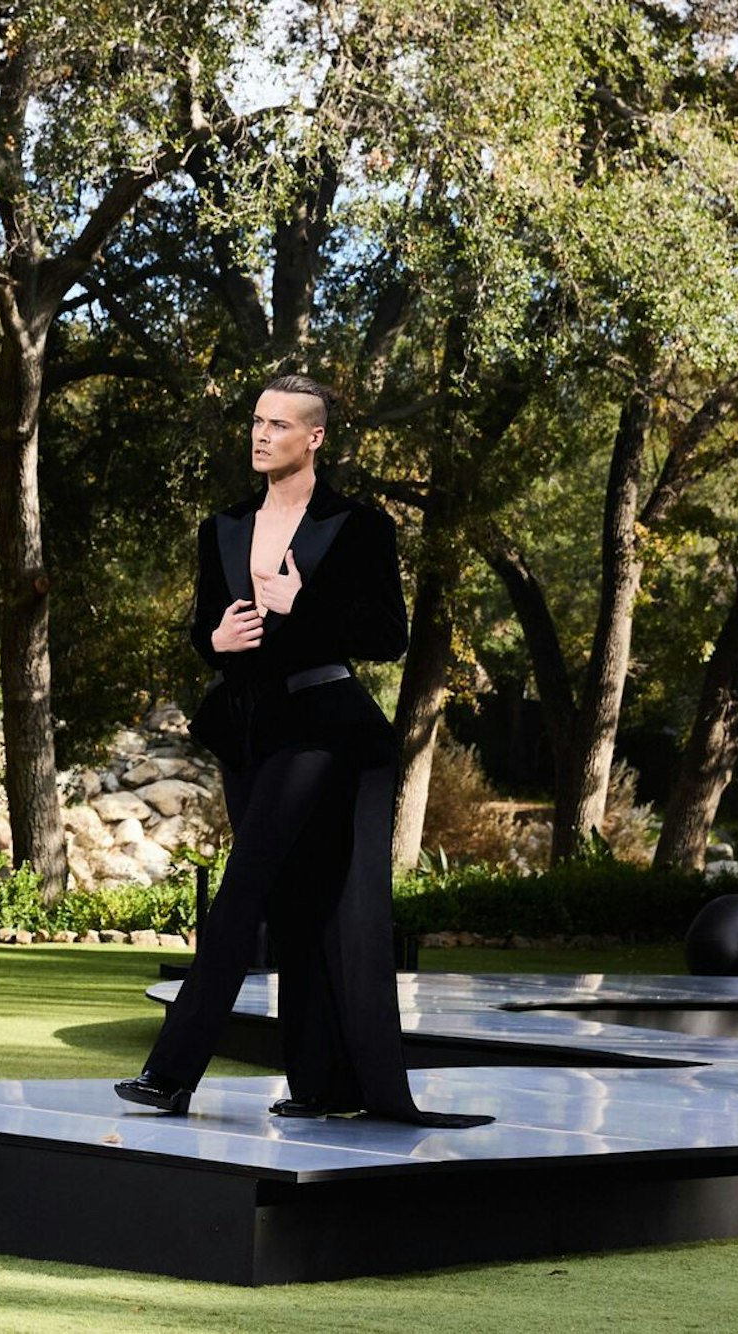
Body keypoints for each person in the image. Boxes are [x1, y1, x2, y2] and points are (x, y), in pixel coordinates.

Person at [114, 376, 491, 1128]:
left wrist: (303, 607)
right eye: (257, 421)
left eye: (279, 424)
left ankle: (171, 1073)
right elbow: (207, 627)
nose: (261, 435)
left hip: (321, 727)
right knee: (297, 903)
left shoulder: (359, 525)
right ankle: (321, 1085)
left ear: (314, 437)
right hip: (246, 730)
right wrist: (214, 640)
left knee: (243, 887)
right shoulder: (223, 527)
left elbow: (388, 635)